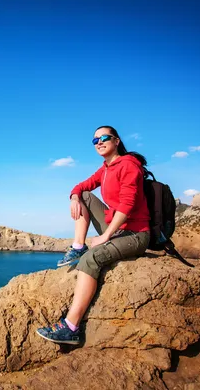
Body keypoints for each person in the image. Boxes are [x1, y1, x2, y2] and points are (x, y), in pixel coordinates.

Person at [36, 125, 150, 345]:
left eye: (104, 138)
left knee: (92, 259)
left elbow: (128, 205)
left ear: (116, 141)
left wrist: (106, 236)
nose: (99, 142)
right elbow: (82, 186)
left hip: (136, 234)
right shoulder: (105, 168)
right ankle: (78, 246)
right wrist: (74, 197)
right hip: (118, 229)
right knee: (85, 196)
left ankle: (71, 328)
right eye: (95, 140)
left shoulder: (128, 165)